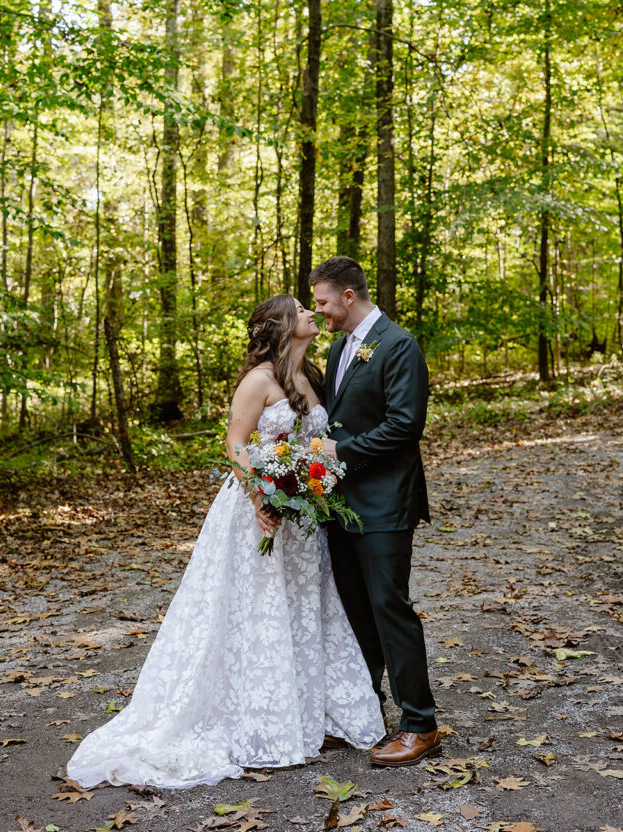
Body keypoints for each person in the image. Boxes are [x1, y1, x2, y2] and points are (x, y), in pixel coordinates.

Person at [66, 294, 384, 790]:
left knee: (303, 606)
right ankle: (253, 717)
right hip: (257, 510)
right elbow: (235, 444)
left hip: (304, 516)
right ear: (281, 326)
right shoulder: (258, 379)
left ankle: (306, 711)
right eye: (301, 309)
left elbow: (315, 445)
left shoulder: (312, 377)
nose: (310, 314)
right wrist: (261, 495)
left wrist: (310, 484)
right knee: (254, 609)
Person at [310, 257, 441, 767]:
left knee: (390, 608)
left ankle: (420, 724)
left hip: (386, 502)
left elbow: (406, 425)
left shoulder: (399, 345)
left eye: (323, 301)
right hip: (341, 504)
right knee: (356, 613)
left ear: (348, 295)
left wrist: (337, 454)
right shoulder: (339, 344)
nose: (319, 311)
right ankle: (364, 715)